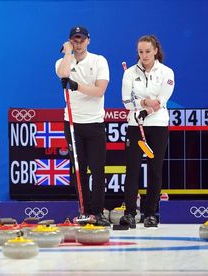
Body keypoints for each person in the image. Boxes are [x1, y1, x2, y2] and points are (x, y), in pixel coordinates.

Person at [55, 26, 110, 226]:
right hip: (72, 123)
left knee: (97, 170)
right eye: (74, 40)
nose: (78, 43)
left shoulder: (99, 60)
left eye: (81, 40)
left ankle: (98, 212)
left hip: (94, 122)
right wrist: (68, 52)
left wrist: (77, 86)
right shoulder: (63, 62)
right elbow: (62, 74)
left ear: (88, 40)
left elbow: (99, 91)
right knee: (79, 170)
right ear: (70, 41)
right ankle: (85, 211)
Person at [120, 35, 175, 228]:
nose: (144, 55)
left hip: (158, 125)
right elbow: (126, 101)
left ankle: (151, 214)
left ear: (156, 51)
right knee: (132, 170)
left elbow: (161, 101)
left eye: (148, 51)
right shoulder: (129, 73)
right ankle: (129, 213)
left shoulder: (167, 72)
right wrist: (143, 102)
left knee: (155, 170)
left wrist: (145, 110)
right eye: (140, 52)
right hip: (136, 126)